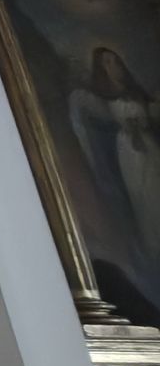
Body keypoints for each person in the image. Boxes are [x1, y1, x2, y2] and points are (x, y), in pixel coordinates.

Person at [71, 46, 160, 258]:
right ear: (101, 69)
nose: (114, 66)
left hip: (150, 148)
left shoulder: (135, 93)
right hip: (130, 151)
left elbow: (152, 112)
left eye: (115, 60)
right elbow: (81, 105)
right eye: (107, 63)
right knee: (144, 196)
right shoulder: (103, 98)